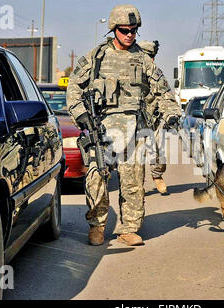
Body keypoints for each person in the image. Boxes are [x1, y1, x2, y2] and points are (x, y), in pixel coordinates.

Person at [67, 4, 180, 247]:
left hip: (135, 131)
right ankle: (97, 226)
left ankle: (128, 228)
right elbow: (74, 86)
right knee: (96, 179)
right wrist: (81, 115)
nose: (129, 35)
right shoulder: (96, 57)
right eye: (124, 30)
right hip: (103, 130)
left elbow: (163, 91)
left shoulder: (143, 59)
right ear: (113, 30)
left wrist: (171, 113)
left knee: (132, 181)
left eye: (133, 30)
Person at [138, 40, 181, 194]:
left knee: (157, 153)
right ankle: (138, 185)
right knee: (135, 156)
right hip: (133, 121)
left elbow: (165, 95)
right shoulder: (129, 72)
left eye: (150, 56)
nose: (148, 59)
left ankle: (157, 176)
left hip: (153, 120)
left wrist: (171, 114)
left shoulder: (156, 73)